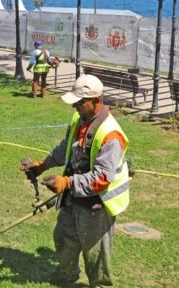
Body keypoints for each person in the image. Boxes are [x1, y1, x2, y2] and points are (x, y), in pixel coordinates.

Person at [20, 74, 130, 287]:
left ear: (96, 101)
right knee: (63, 237)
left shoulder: (110, 134)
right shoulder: (80, 119)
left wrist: (67, 183)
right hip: (75, 197)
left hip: (99, 203)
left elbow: (102, 178)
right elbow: (67, 147)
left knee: (95, 253)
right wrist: (42, 165)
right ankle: (67, 276)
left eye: (80, 103)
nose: (75, 107)